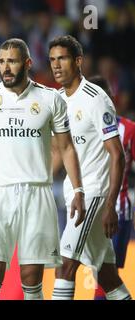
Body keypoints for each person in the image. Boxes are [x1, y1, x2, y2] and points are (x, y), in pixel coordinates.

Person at [0, 38, 85, 300]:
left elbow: (67, 148)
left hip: (37, 194)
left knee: (31, 276)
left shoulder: (50, 99)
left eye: (12, 61)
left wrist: (79, 191)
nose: (6, 67)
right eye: (2, 62)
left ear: (27, 63)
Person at [49, 35, 132, 300]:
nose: (56, 65)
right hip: (72, 193)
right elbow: (57, 151)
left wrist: (110, 205)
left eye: (62, 58)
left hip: (92, 192)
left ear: (78, 61)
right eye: (52, 60)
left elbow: (116, 155)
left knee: (64, 266)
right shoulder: (57, 99)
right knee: (106, 275)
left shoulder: (96, 99)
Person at [88, 75, 135, 300]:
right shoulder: (81, 128)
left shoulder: (129, 129)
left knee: (107, 270)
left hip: (118, 209)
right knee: (99, 271)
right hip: (87, 205)